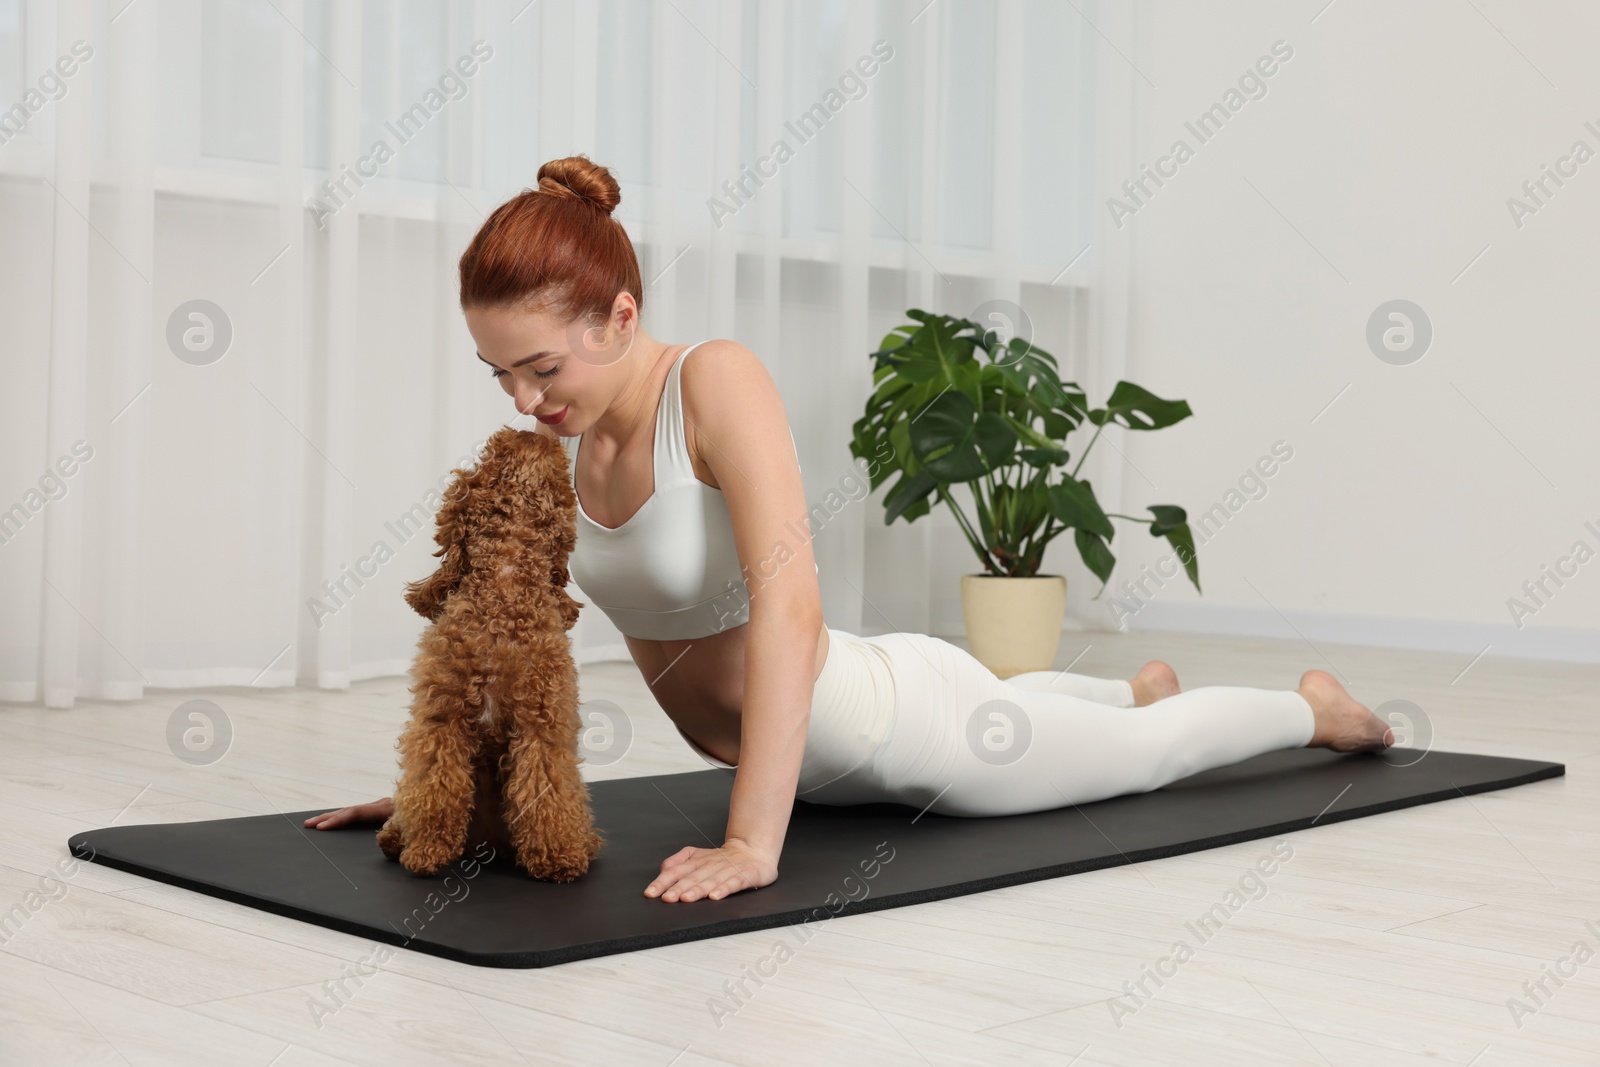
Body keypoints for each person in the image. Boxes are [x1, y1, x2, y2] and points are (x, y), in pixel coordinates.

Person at [306, 155, 1394, 903]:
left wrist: (750, 840)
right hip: (826, 744)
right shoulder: (566, 446)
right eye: (500, 374)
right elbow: (513, 632)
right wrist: (440, 782)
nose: (522, 399)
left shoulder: (714, 383)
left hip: (898, 733)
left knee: (1146, 762)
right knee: (1067, 709)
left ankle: (1308, 709)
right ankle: (1122, 686)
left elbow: (791, 601)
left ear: (622, 315)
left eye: (542, 368)